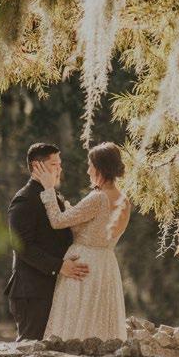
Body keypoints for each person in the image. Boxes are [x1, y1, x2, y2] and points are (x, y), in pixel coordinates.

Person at [33, 142, 131, 341]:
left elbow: (57, 221)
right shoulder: (124, 201)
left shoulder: (98, 198)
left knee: (76, 324)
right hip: (106, 266)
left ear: (100, 168)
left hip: (83, 266)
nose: (88, 171)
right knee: (99, 323)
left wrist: (49, 189)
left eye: (90, 166)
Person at [5, 143, 90, 341]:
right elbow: (22, 246)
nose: (59, 169)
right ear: (37, 166)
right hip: (32, 292)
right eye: (54, 165)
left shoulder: (51, 194)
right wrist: (59, 266)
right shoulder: (24, 199)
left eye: (60, 164)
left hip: (49, 289)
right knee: (31, 349)